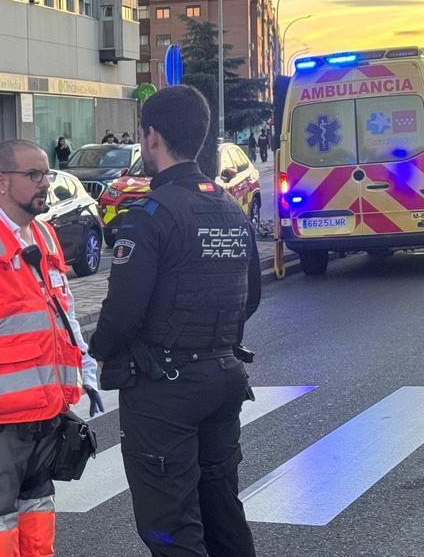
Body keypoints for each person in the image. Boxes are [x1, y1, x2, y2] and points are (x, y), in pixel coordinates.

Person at [89, 85, 260, 557]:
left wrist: (95, 350)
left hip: (164, 392)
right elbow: (251, 298)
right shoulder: (230, 209)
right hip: (224, 374)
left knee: (171, 529)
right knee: (223, 511)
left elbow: (122, 314)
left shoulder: (148, 216)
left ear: (152, 137)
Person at [0, 139, 102, 557]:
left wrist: (84, 365)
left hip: (44, 415)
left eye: (46, 173)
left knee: (36, 521)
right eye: (35, 175)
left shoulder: (43, 232)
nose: (45, 183)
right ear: (2, 181)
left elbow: (63, 309)